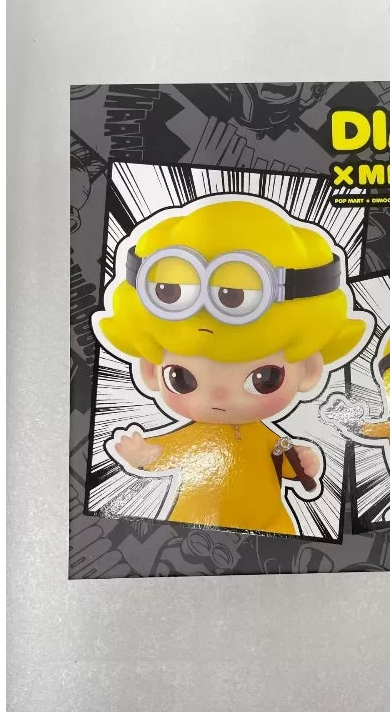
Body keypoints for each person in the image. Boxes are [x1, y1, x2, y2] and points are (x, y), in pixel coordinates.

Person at [93, 195, 372, 535]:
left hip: (272, 525)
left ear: (309, 370)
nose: (220, 396)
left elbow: (279, 460)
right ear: (151, 369)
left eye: (264, 379)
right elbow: (164, 454)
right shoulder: (197, 436)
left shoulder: (265, 437)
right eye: (182, 378)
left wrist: (302, 461)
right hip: (199, 528)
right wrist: (142, 454)